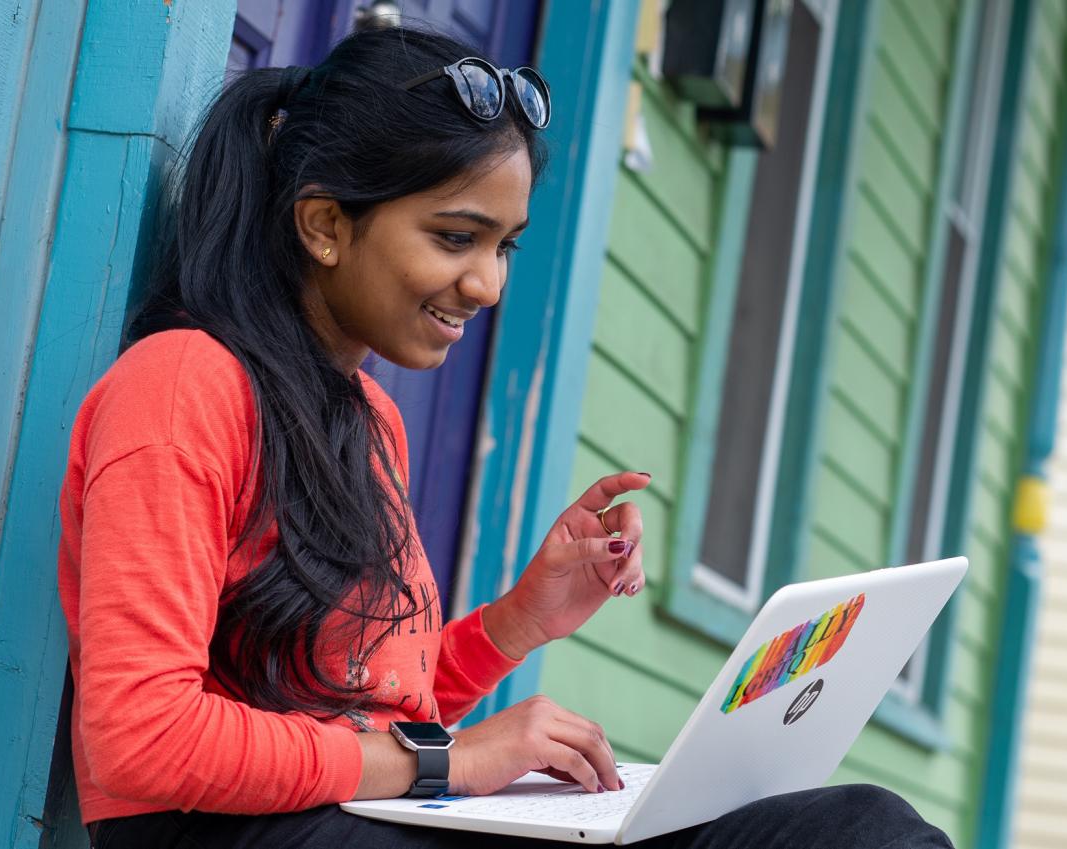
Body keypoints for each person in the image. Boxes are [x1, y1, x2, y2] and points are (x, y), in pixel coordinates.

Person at [59, 25, 953, 849]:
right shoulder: (183, 384)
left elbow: (362, 712)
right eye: (456, 237)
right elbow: (144, 736)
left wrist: (522, 621)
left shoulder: (369, 419)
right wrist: (445, 761)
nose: (485, 284)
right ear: (326, 224)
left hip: (355, 818)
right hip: (220, 833)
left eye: (506, 248)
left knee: (858, 825)